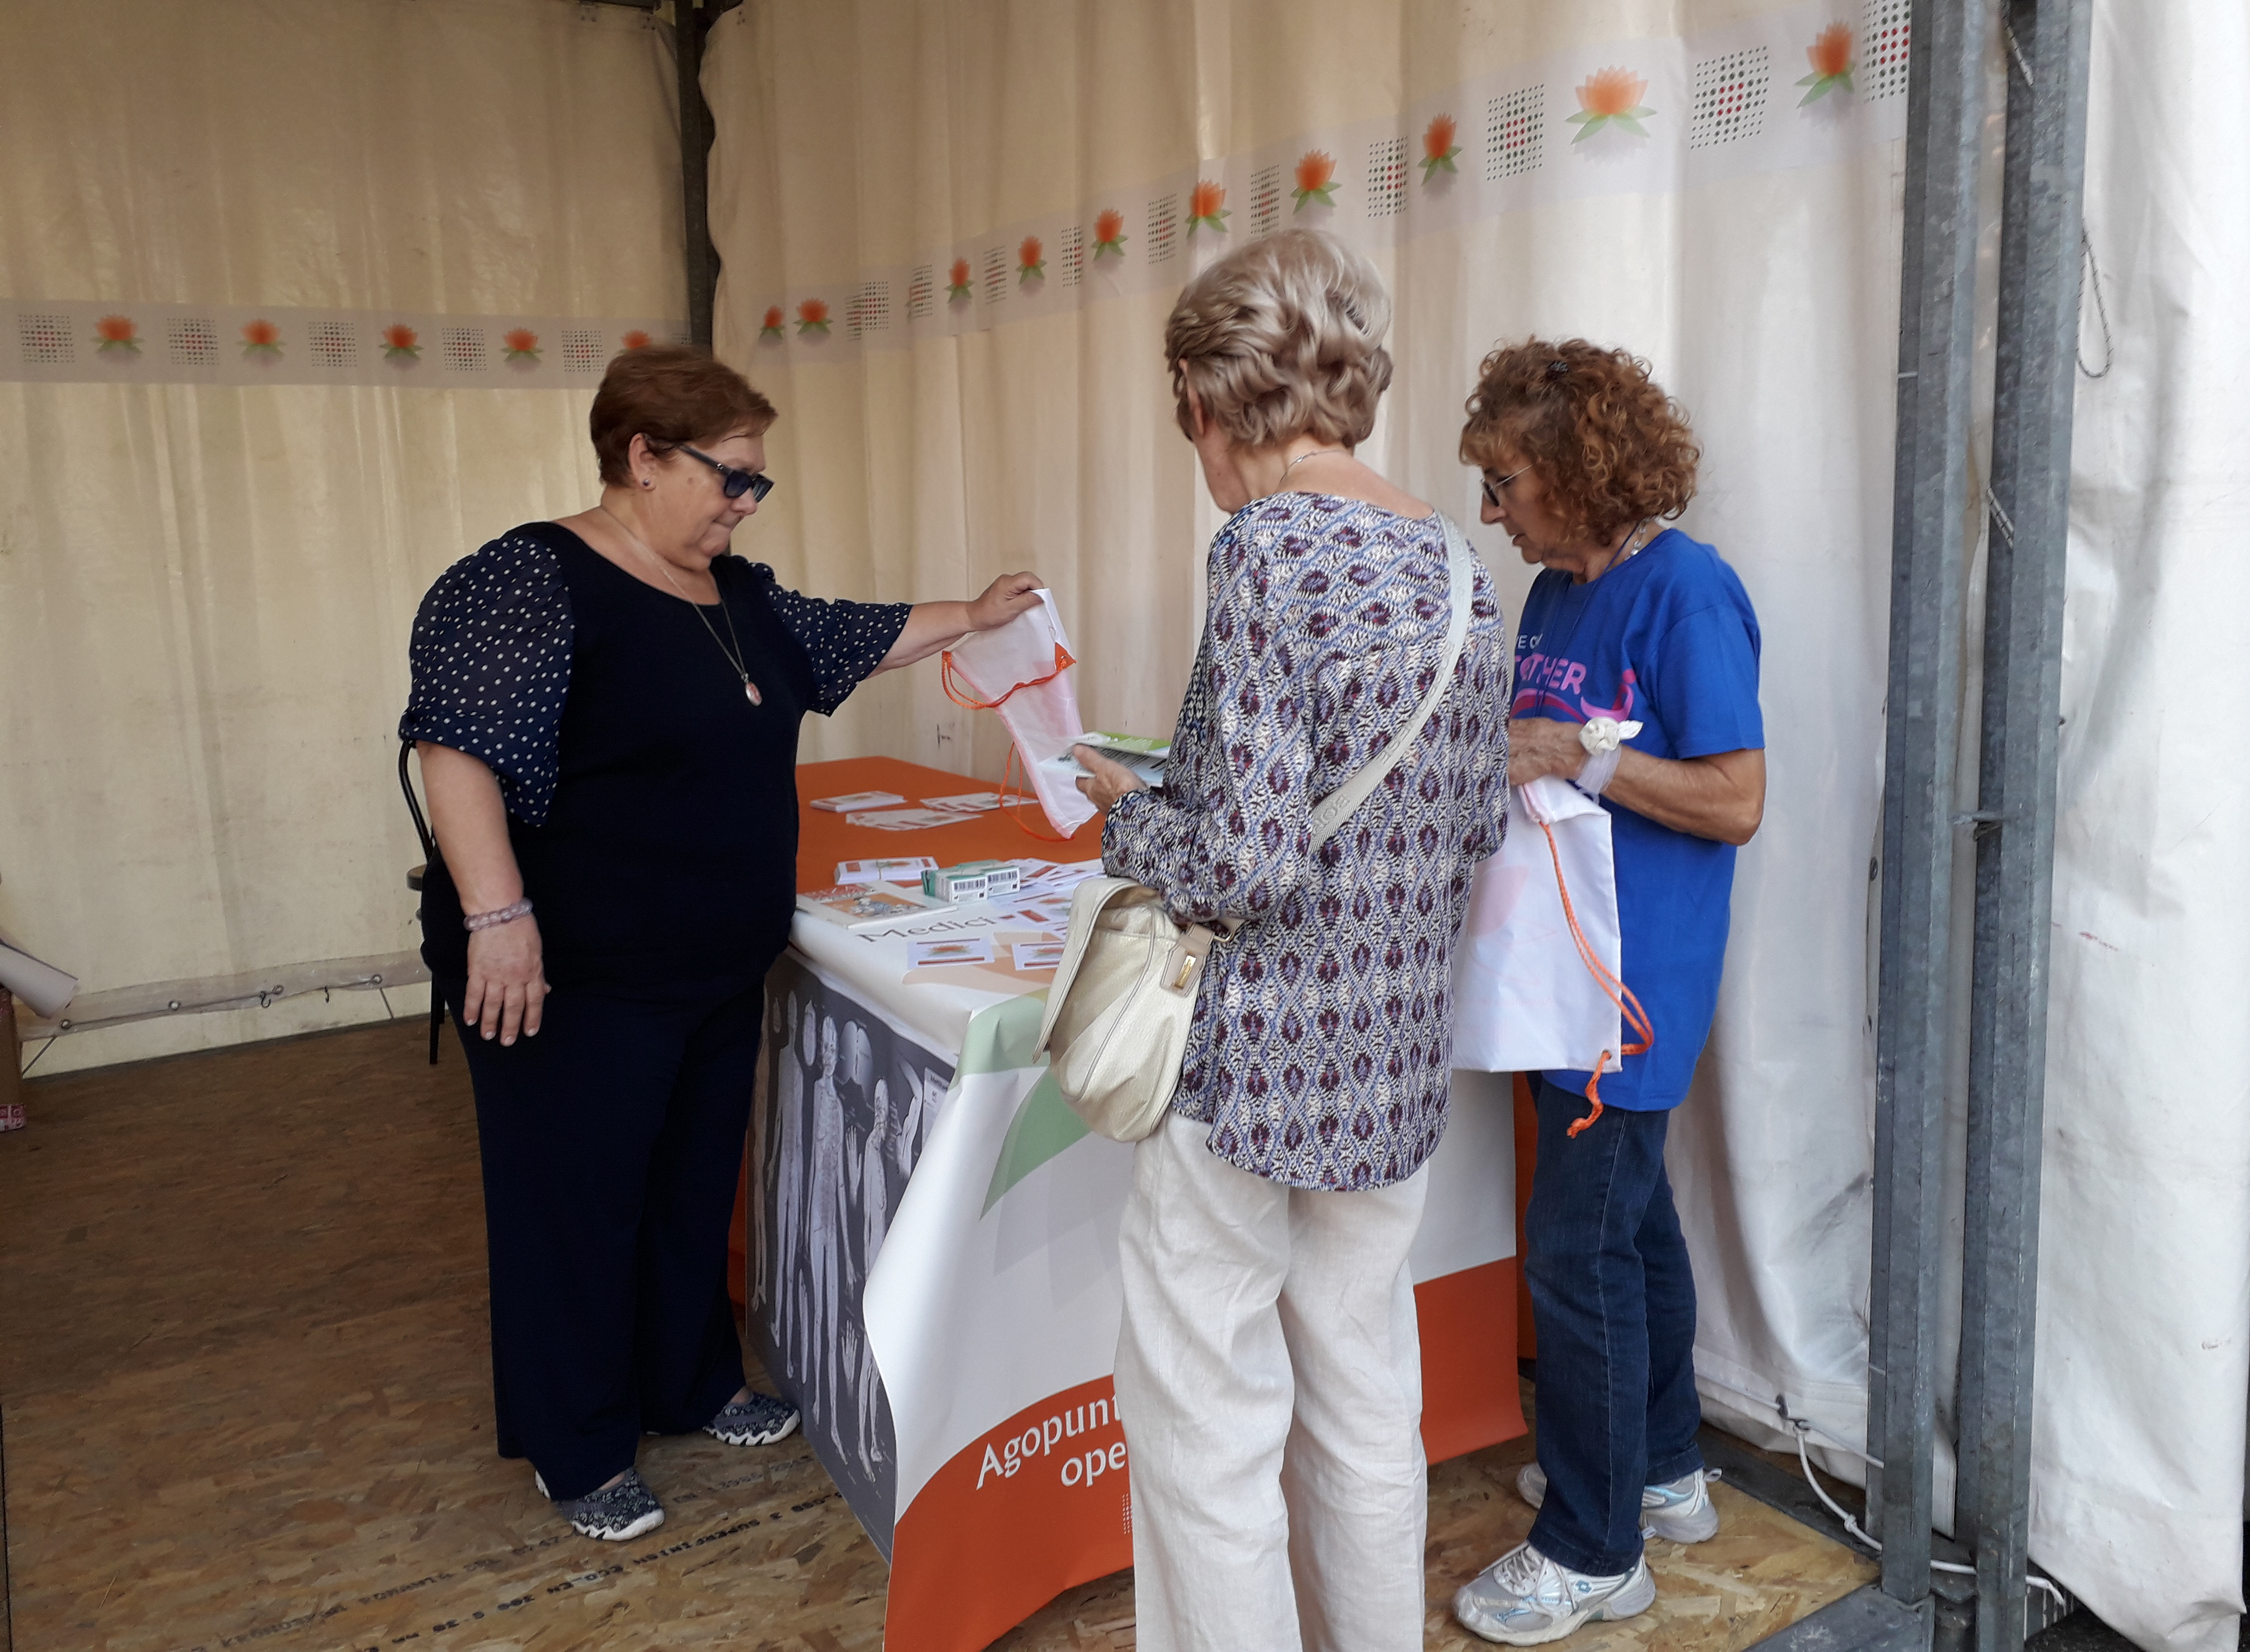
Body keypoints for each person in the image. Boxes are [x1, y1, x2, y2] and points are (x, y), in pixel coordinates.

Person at [400, 342, 1042, 1543]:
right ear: (641, 458)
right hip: (572, 974)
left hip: (705, 962)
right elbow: (458, 749)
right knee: (575, 1202)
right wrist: (498, 920)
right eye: (732, 477)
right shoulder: (528, 579)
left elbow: (850, 634)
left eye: (760, 483)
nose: (747, 502)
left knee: (691, 1182)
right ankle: (578, 1445)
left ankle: (690, 1387)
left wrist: (975, 616)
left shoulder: (736, 594)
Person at [1072, 230, 1510, 1652]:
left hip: (1254, 1065)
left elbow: (1242, 863)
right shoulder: (1457, 566)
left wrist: (1130, 820)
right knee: (1366, 1395)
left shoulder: (1265, 548)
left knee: (1208, 1421)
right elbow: (1480, 824)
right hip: (1392, 1070)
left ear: (1210, 398)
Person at [1447, 338, 1764, 1645]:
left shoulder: (1687, 595)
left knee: (1577, 1253)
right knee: (1632, 1232)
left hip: (1630, 987)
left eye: (1508, 482)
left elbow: (1736, 802)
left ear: (1577, 476)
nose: (1491, 510)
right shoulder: (1553, 595)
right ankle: (1664, 1470)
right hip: (1553, 973)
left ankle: (1594, 1547)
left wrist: (1583, 759)